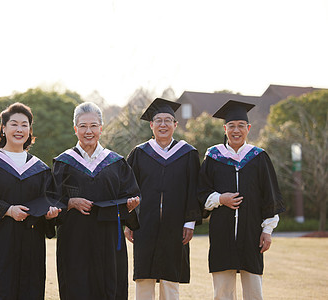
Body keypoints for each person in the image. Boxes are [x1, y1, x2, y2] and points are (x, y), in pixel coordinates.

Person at [0, 102, 61, 300]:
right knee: (0, 289)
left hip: (31, 245)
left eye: (24, 125)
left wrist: (50, 215)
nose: (19, 129)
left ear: (30, 130)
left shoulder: (40, 169)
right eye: (14, 124)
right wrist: (8, 210)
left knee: (31, 289)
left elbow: (49, 200)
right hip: (0, 245)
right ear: (3, 128)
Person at [198, 100, 285, 300]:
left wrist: (267, 230)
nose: (236, 130)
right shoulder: (213, 156)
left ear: (249, 128)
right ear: (224, 128)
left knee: (254, 290)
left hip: (252, 232)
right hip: (222, 232)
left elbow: (269, 195)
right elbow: (201, 191)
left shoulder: (258, 157)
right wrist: (220, 198)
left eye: (241, 126)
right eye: (231, 126)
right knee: (222, 291)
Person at [53, 102, 141, 300]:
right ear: (75, 129)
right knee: (77, 286)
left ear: (101, 128)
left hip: (108, 240)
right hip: (74, 240)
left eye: (93, 125)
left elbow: (130, 194)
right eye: (83, 126)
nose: (88, 131)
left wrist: (131, 206)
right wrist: (70, 202)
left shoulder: (116, 162)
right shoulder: (63, 162)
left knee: (109, 285)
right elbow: (52, 199)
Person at [125, 98, 202, 300]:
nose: (163, 125)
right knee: (144, 276)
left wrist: (189, 223)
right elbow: (128, 190)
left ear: (175, 125)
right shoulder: (139, 153)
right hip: (144, 225)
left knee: (170, 278)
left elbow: (194, 189)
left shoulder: (188, 154)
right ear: (151, 125)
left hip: (175, 225)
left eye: (168, 120)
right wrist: (129, 222)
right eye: (158, 120)